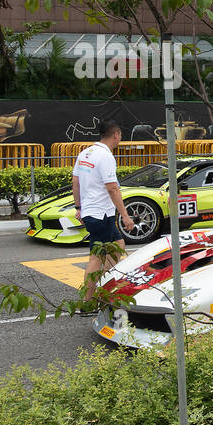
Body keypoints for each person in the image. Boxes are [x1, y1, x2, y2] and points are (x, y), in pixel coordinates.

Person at [72, 119, 135, 297]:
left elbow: (75, 182)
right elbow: (112, 188)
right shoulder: (106, 156)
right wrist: (125, 215)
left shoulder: (85, 153)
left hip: (92, 212)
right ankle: (89, 300)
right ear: (116, 134)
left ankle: (104, 285)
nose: (120, 139)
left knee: (118, 245)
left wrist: (79, 207)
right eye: (120, 135)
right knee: (96, 257)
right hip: (101, 214)